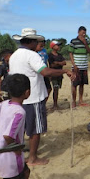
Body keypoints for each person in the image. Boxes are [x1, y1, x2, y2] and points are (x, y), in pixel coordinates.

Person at [10, 28, 75, 166]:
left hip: (19, 98)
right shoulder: (32, 55)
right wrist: (65, 71)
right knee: (35, 129)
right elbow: (45, 71)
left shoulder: (15, 55)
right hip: (33, 97)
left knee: (21, 129)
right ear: (31, 42)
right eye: (36, 41)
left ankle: (19, 155)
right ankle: (33, 158)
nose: (38, 44)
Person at [69, 26, 90, 108]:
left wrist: (85, 43)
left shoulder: (87, 41)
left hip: (84, 66)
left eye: (85, 33)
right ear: (78, 32)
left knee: (82, 84)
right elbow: (70, 53)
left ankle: (81, 101)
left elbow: (89, 51)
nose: (84, 34)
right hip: (76, 67)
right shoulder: (73, 41)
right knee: (74, 84)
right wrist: (74, 64)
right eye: (82, 32)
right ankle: (73, 102)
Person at [48, 41, 66, 110]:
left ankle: (55, 104)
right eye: (57, 45)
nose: (59, 47)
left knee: (57, 89)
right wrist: (60, 63)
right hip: (53, 74)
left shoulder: (60, 55)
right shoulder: (50, 55)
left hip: (59, 74)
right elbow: (52, 64)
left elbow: (64, 63)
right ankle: (55, 104)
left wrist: (57, 63)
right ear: (53, 46)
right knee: (55, 88)